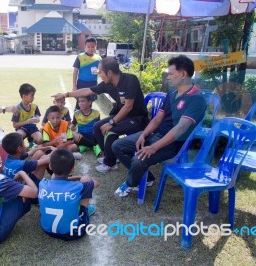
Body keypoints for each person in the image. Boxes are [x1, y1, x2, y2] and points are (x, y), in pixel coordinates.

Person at [112, 55, 206, 197]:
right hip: (155, 135)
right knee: (117, 145)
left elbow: (180, 129)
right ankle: (147, 178)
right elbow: (157, 119)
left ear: (183, 74)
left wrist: (153, 147)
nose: (168, 77)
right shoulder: (172, 94)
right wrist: (143, 135)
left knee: (138, 160)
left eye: (171, 73)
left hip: (174, 144)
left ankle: (130, 183)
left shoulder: (196, 99)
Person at [53, 57, 149, 173]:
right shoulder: (107, 84)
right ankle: (110, 156)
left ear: (109, 73)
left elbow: (128, 107)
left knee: (110, 131)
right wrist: (66, 94)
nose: (99, 75)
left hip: (137, 118)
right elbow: (87, 91)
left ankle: (110, 164)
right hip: (123, 116)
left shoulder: (130, 80)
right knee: (97, 127)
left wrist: (111, 123)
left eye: (100, 72)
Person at [38, 148, 99, 241]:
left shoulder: (42, 183)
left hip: (46, 229)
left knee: (54, 178)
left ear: (50, 166)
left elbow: (54, 177)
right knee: (86, 180)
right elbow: (96, 183)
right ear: (72, 169)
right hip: (73, 233)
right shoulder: (77, 187)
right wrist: (80, 177)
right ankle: (84, 212)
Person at [72, 37, 101, 109]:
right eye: (88, 47)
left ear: (96, 47)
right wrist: (74, 86)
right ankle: (76, 118)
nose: (91, 48)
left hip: (93, 84)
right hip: (81, 83)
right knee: (80, 102)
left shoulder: (99, 58)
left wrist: (98, 71)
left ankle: (88, 118)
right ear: (85, 47)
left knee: (90, 103)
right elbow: (75, 72)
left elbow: (101, 71)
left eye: (93, 47)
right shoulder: (80, 57)